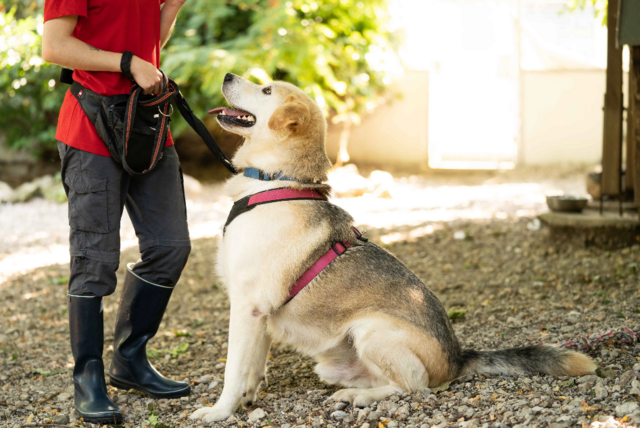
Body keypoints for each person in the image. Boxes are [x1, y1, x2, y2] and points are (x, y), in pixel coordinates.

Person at [42, 0, 191, 423]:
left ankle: (130, 359)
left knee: (170, 247)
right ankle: (88, 376)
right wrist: (127, 63)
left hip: (145, 123)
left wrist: (172, 6)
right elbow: (54, 47)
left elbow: (147, 46)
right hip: (89, 127)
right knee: (94, 260)